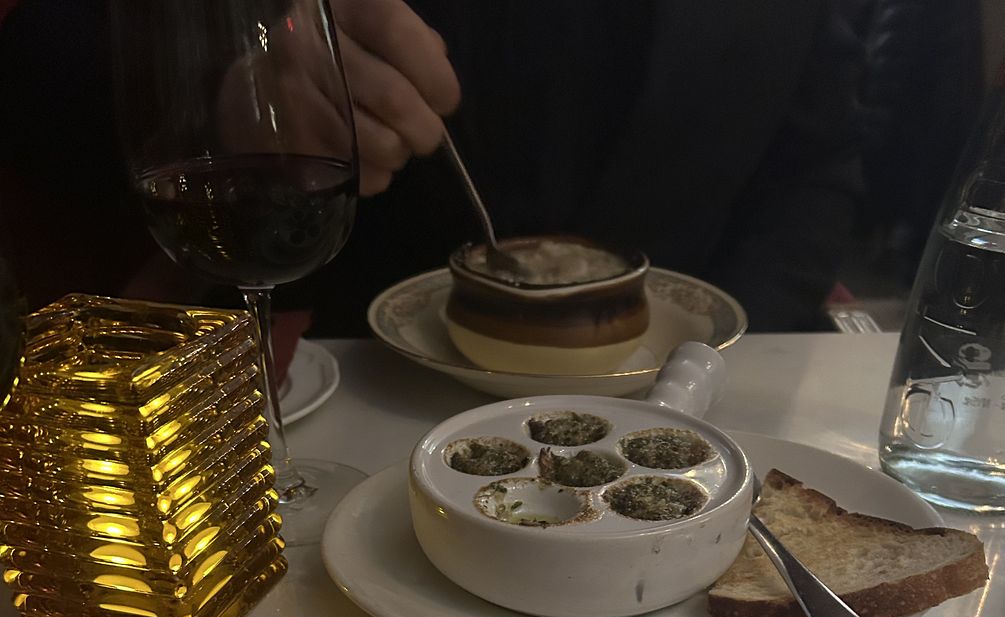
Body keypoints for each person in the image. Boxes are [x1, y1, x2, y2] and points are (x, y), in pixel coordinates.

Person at [0, 0, 864, 333]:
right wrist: (235, 88)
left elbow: (815, 163)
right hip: (347, 396)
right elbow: (39, 58)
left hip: (694, 405)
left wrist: (717, 368)